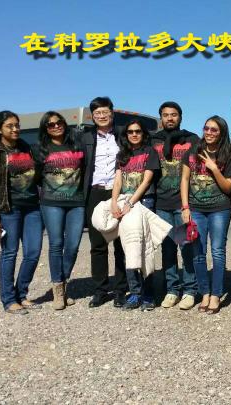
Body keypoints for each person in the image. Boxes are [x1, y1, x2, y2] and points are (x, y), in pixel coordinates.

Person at [0, 111, 44, 315]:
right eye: (10, 126)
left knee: (33, 252)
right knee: (10, 253)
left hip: (32, 207)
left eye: (17, 125)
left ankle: (21, 294)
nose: (15, 129)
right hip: (9, 209)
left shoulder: (26, 146)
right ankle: (9, 300)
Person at [180, 115, 231, 315]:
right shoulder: (192, 151)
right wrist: (185, 207)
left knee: (218, 251)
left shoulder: (227, 155)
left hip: (220, 209)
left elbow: (228, 187)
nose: (209, 132)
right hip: (195, 209)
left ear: (221, 133)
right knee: (198, 253)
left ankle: (216, 294)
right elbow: (185, 179)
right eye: (206, 128)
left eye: (214, 130)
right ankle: (204, 293)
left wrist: (214, 169)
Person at [151, 101, 200, 310]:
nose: (170, 118)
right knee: (167, 249)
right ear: (161, 118)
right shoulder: (153, 140)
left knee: (187, 247)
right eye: (165, 115)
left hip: (183, 204)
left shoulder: (192, 139)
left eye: (173, 114)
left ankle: (190, 290)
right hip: (161, 203)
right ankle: (172, 289)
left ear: (180, 117)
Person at [36, 111, 86, 310]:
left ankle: (63, 283)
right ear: (45, 129)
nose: (56, 126)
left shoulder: (77, 145)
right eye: (51, 124)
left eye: (59, 122)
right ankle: (58, 289)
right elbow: (36, 176)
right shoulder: (40, 149)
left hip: (77, 202)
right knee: (56, 244)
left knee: (73, 245)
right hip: (51, 203)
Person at [81, 96, 128, 308]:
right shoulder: (85, 137)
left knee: (121, 244)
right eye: (97, 113)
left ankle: (120, 290)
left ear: (112, 113)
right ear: (92, 116)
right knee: (98, 244)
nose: (101, 116)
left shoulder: (122, 135)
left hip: (119, 192)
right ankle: (100, 290)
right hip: (95, 193)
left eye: (105, 112)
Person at [111, 119, 160, 310]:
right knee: (128, 248)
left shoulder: (150, 152)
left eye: (137, 131)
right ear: (125, 135)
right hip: (124, 202)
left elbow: (147, 181)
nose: (134, 134)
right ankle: (134, 293)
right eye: (130, 132)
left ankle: (148, 295)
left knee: (145, 248)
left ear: (143, 133)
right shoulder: (122, 155)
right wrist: (114, 202)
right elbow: (117, 181)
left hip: (144, 201)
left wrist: (131, 203)